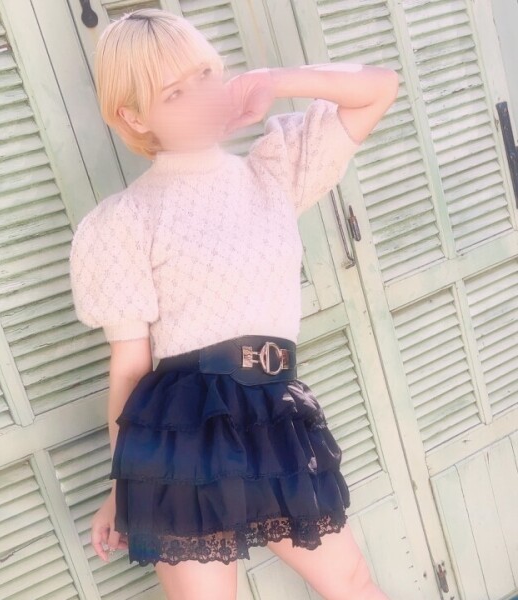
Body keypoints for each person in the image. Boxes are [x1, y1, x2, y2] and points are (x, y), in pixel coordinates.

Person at [69, 7, 398, 600]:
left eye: (205, 75)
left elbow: (378, 88)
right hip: (181, 431)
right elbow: (130, 369)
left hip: (275, 413)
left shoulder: (274, 171)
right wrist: (123, 486)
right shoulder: (124, 221)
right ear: (134, 116)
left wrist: (275, 81)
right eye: (175, 92)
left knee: (352, 582)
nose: (202, 97)